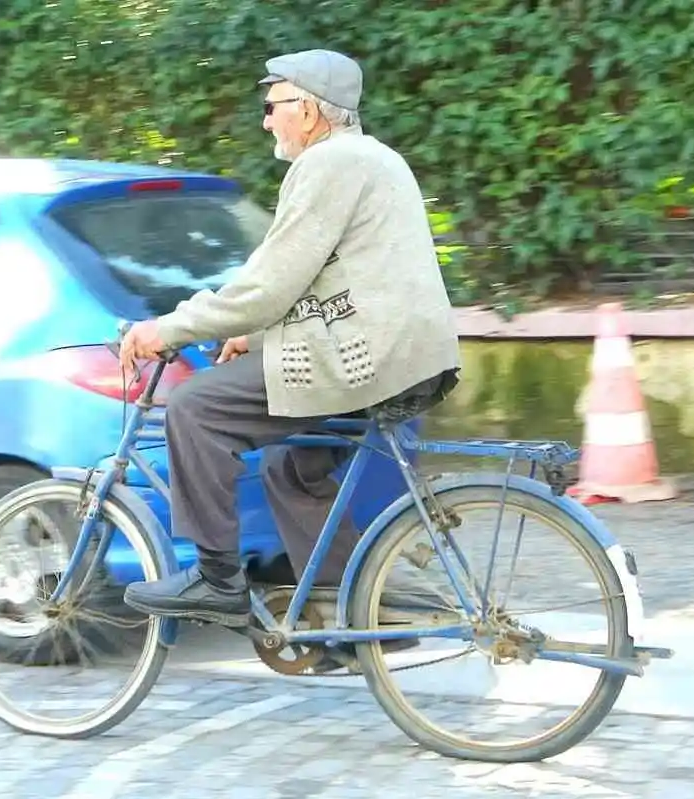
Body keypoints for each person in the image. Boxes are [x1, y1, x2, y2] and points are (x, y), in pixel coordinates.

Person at [117, 48, 462, 628]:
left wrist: (170, 327)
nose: (266, 118)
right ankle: (357, 617)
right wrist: (254, 336)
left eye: (273, 105)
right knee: (288, 464)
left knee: (195, 407)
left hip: (369, 358)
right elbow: (333, 277)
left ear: (307, 110)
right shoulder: (372, 158)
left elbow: (269, 284)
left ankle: (216, 579)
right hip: (409, 355)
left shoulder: (328, 165)